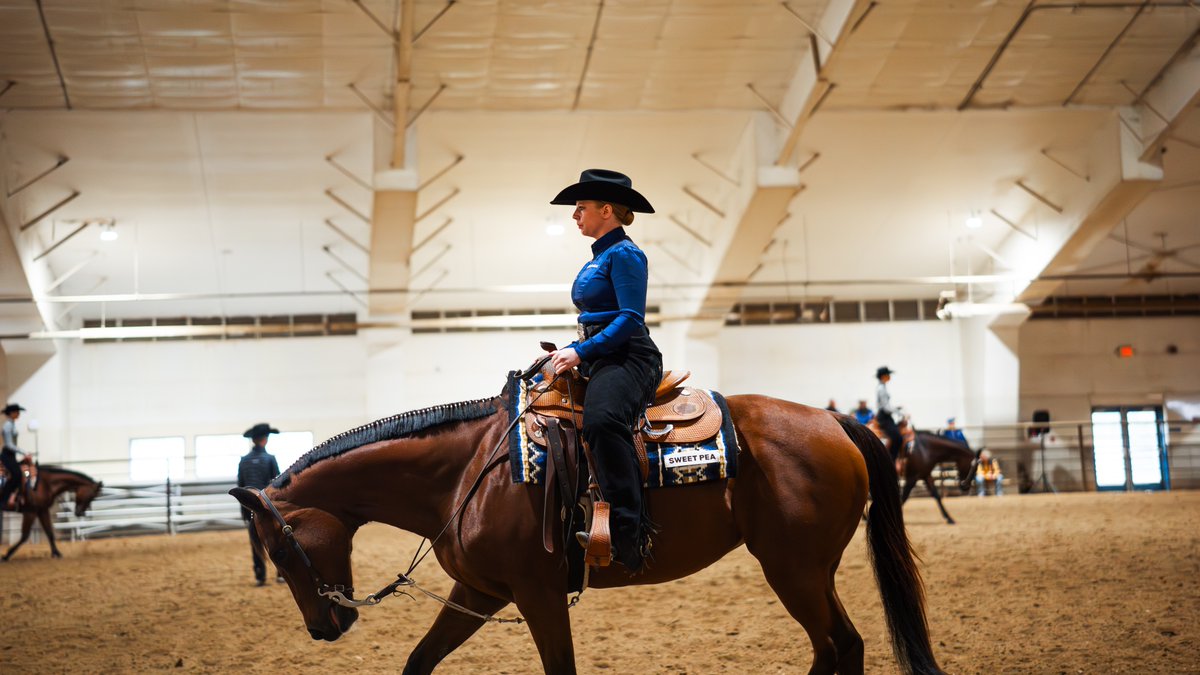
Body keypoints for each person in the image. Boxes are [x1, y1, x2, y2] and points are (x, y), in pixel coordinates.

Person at [547, 169, 662, 573]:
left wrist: (580, 351)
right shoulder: (600, 256)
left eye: (581, 208)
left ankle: (627, 532)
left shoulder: (626, 255)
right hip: (601, 354)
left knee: (601, 420)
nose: (575, 216)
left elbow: (631, 319)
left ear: (607, 210)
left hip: (629, 357)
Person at [237, 423, 282, 586]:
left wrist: (244, 511)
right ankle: (280, 573)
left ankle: (259, 575)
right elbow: (277, 484)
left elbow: (241, 485)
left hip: (250, 506)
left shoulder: (244, 461)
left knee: (256, 540)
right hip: (268, 506)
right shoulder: (270, 459)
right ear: (265, 440)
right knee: (277, 539)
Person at [0, 403, 28, 510]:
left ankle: (14, 498)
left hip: (11, 454)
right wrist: (23, 452)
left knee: (20, 474)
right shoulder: (8, 425)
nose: (18, 413)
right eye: (17, 411)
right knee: (16, 474)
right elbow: (9, 444)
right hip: (7, 454)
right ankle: (3, 500)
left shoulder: (12, 424)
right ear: (11, 413)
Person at [875, 366, 904, 465]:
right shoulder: (882, 389)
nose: (889, 377)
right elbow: (886, 408)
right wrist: (898, 412)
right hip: (884, 417)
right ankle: (891, 461)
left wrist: (896, 408)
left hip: (886, 416)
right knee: (898, 438)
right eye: (888, 375)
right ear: (884, 376)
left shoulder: (882, 387)